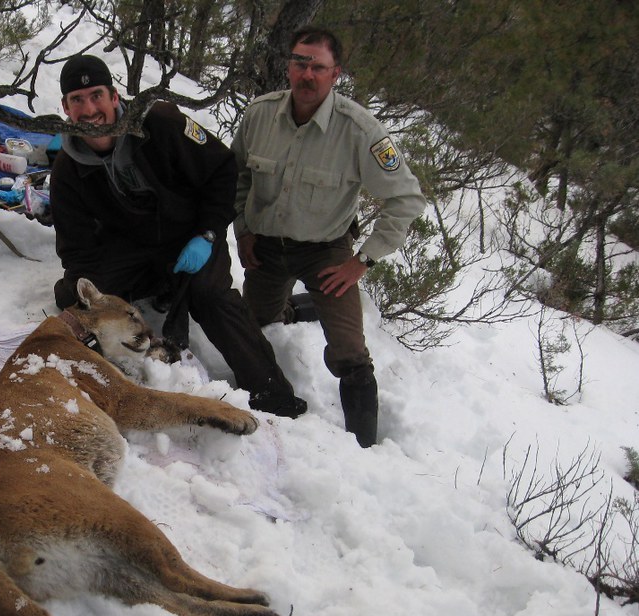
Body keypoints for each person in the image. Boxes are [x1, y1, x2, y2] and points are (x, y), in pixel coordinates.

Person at [49, 54, 306, 418]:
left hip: (191, 235)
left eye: (96, 96)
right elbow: (76, 249)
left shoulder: (161, 124)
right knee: (72, 291)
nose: (89, 109)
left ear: (114, 96)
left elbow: (222, 170)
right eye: (78, 100)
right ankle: (161, 294)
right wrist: (97, 291)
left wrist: (207, 233)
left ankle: (272, 393)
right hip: (135, 248)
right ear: (65, 107)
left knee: (209, 296)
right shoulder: (67, 169)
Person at [231, 27, 427, 447]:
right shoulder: (259, 115)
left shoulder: (358, 130)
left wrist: (362, 262)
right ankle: (297, 306)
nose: (307, 75)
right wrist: (243, 230)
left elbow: (406, 199)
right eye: (299, 63)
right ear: (288, 65)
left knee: (350, 354)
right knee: (253, 329)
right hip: (265, 246)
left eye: (317, 67)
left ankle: (364, 446)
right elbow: (238, 176)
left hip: (327, 253)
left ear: (335, 73)